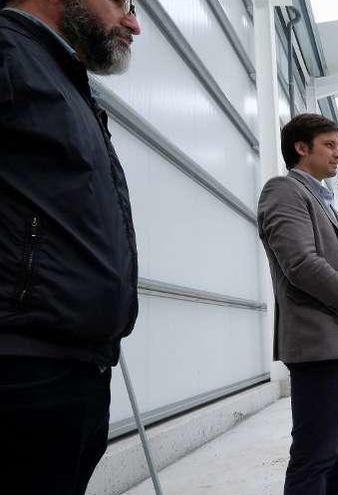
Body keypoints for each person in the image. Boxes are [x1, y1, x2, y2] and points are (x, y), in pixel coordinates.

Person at [0, 1, 141, 493]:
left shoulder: (63, 79)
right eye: (121, 3)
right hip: (23, 373)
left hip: (75, 370)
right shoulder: (9, 51)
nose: (133, 22)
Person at [257, 113, 338, 495]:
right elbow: (300, 263)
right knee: (316, 456)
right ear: (301, 148)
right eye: (330, 144)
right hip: (320, 344)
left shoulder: (324, 200)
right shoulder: (283, 190)